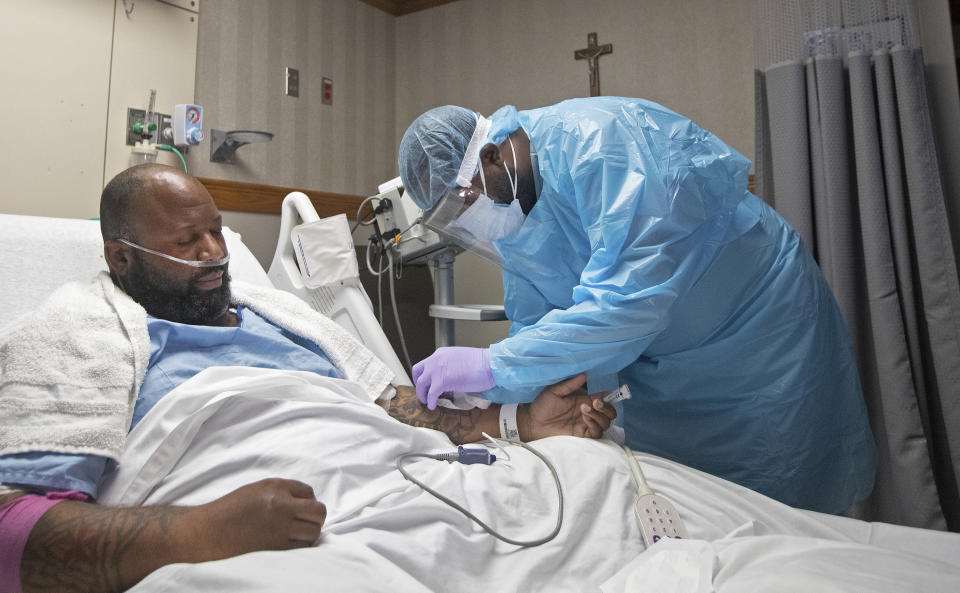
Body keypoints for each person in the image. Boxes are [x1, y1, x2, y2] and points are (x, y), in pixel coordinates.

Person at [0, 163, 616, 593]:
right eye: (187, 242)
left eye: (217, 229)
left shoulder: (284, 316)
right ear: (121, 257)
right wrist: (200, 531)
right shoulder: (77, 333)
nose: (215, 252)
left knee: (602, 479)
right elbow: (11, 533)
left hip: (410, 482)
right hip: (279, 522)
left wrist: (521, 423)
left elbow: (394, 407)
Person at [397, 97, 877, 514]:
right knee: (695, 508)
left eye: (463, 202)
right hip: (662, 369)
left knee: (782, 496)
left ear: (489, 155)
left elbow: (629, 301)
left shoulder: (602, 143)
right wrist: (509, 404)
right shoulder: (514, 216)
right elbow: (538, 325)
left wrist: (490, 364)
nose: (471, 222)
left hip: (757, 337)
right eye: (453, 217)